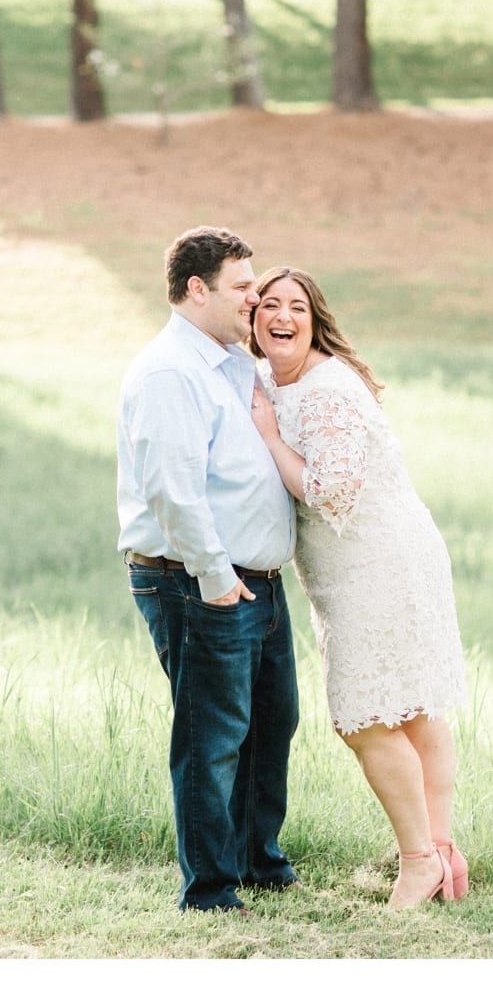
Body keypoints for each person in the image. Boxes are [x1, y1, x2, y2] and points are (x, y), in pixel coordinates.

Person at [247, 266, 469, 909]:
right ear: (255, 321)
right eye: (268, 305)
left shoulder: (327, 391)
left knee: (365, 718)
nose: (281, 316)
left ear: (315, 322)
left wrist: (265, 435)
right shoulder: (268, 378)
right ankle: (444, 853)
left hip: (379, 563)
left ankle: (418, 860)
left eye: (296, 306)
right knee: (411, 708)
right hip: (356, 568)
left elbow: (334, 491)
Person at [116, 226, 301, 914]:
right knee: (212, 736)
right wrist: (217, 577)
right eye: (243, 288)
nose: (255, 300)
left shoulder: (230, 363)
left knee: (272, 722)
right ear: (197, 289)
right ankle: (211, 888)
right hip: (198, 580)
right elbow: (173, 489)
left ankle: (259, 861)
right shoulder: (172, 371)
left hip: (257, 582)